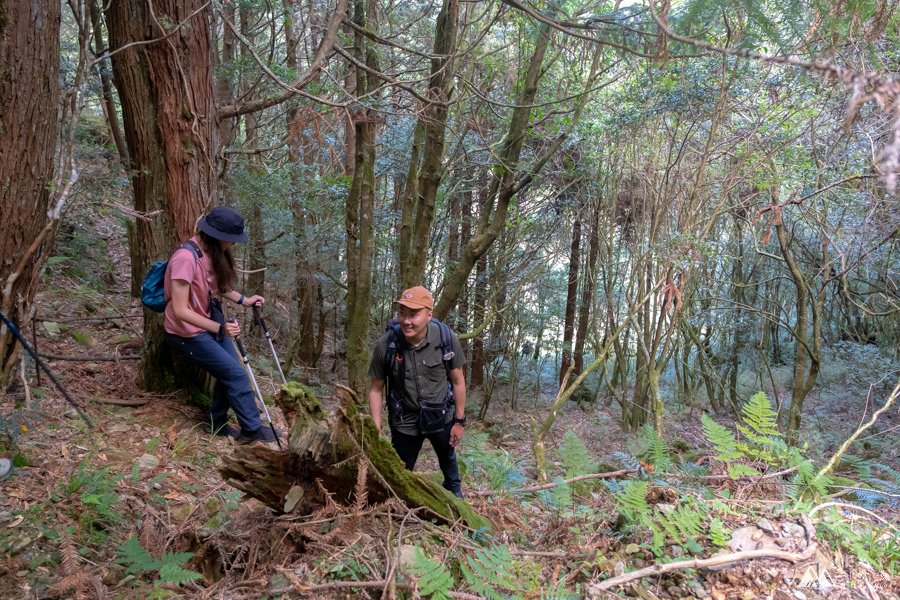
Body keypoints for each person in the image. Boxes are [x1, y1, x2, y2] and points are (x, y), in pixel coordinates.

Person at [164, 206, 278, 444]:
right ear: (218, 237)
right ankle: (251, 430)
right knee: (235, 374)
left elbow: (218, 287)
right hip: (186, 334)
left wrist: (245, 301)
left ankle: (216, 424)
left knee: (230, 372)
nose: (233, 245)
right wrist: (220, 329)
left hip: (208, 325)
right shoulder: (186, 258)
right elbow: (180, 309)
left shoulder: (210, 253)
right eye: (231, 240)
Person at [368, 287, 467, 498]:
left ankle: (455, 498)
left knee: (449, 463)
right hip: (404, 420)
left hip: (439, 416)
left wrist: (459, 422)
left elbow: (458, 382)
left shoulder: (446, 339)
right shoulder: (387, 345)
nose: (406, 320)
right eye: (402, 313)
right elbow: (376, 389)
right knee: (398, 478)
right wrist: (375, 428)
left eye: (414, 314)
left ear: (429, 315)